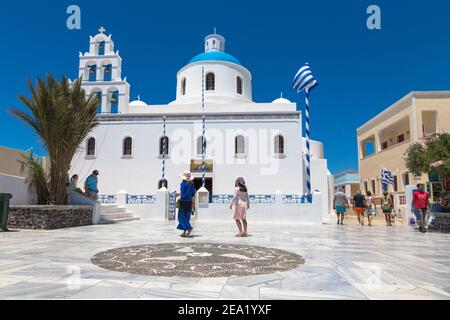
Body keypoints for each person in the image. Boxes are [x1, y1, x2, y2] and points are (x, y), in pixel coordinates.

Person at [177, 171, 196, 238]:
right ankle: (184, 232)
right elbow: (193, 194)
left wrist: (179, 198)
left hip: (183, 202)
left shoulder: (182, 184)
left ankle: (188, 228)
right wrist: (193, 203)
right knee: (187, 216)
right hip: (189, 202)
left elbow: (182, 193)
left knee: (181, 216)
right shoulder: (192, 184)